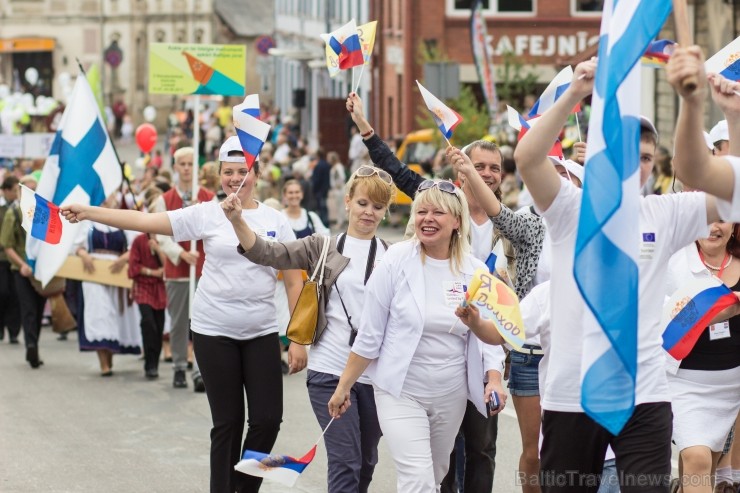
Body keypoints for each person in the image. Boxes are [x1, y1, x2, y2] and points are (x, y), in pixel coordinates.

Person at [514, 57, 729, 493]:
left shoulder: (664, 213)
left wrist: (719, 111)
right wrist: (575, 91)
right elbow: (527, 156)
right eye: (627, 152)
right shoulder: (569, 209)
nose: (638, 164)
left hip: (644, 394)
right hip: (573, 394)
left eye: (647, 157)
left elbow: (731, 187)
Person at [61, 135, 305, 493]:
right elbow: (145, 221)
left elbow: (294, 284)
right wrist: (89, 212)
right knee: (228, 422)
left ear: (257, 173)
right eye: (228, 172)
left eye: (243, 171)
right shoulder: (206, 213)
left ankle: (243, 485)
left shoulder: (276, 220)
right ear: (218, 175)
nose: (236, 179)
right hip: (213, 330)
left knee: (268, 420)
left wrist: (297, 338)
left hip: (261, 331)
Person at [346, 92, 509, 493]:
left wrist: (493, 373)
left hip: (471, 361)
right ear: (462, 170)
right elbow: (397, 171)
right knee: (428, 470)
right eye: (478, 165)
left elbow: (499, 322)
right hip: (409, 379)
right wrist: (367, 130)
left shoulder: (511, 224)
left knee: (478, 450)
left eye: (494, 168)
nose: (486, 173)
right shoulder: (434, 206)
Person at [224, 164, 395, 493]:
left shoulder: (392, 254)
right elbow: (269, 252)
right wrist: (237, 221)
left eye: (377, 206)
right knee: (346, 460)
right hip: (329, 371)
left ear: (385, 211)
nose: (369, 212)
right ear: (347, 202)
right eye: (362, 203)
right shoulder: (322, 247)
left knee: (367, 460)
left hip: (374, 376)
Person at [327, 180, 503, 492]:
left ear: (457, 222)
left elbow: (488, 336)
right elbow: (370, 333)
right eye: (421, 211)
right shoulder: (395, 260)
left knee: (433, 477)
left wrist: (494, 378)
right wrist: (344, 387)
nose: (427, 218)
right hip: (400, 391)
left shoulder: (475, 271)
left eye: (438, 212)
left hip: (451, 393)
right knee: (417, 479)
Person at [665, 222, 740, 493]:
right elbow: (664, 318)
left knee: (704, 473)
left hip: (732, 388)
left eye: (722, 218)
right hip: (686, 383)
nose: (714, 226)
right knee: (696, 457)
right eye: (706, 217)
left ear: (734, 224)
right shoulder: (675, 262)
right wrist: (715, 312)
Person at [151, 146, 213, 391]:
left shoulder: (208, 197)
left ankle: (200, 368)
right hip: (177, 272)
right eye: (182, 164)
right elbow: (160, 234)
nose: (187, 169)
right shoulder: (164, 200)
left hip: (203, 271)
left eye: (190, 164)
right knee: (178, 321)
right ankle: (178, 366)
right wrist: (180, 253)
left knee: (202, 321)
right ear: (175, 167)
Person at [74, 193, 142, 376]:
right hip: (93, 271)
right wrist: (84, 255)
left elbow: (136, 247)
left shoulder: (121, 220)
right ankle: (104, 362)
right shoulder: (87, 223)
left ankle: (109, 359)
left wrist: (124, 258)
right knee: (99, 313)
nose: (106, 198)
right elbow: (77, 246)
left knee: (114, 314)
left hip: (116, 273)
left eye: (109, 194)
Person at [0, 175, 44, 367]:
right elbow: (7, 245)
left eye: (35, 188)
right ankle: (31, 345)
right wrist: (22, 265)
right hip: (21, 270)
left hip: (40, 271)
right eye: (28, 189)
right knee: (28, 309)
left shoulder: (43, 213)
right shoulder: (13, 213)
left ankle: (34, 343)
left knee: (39, 309)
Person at [0, 175, 21, 344]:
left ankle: (14, 331)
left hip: (15, 257)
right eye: (14, 190)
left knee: (15, 294)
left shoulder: (20, 207)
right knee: (2, 292)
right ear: (5, 191)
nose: (16, 193)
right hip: (1, 257)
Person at [312, 148, 331, 226]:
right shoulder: (326, 164)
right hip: (325, 188)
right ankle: (326, 222)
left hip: (319, 189)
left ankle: (323, 223)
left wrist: (314, 188)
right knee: (324, 206)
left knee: (321, 207)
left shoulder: (318, 165)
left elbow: (317, 179)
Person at [328, 151, 347, 227]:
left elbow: (342, 177)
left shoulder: (338, 167)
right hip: (336, 189)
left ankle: (340, 222)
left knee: (341, 206)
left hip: (339, 189)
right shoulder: (334, 167)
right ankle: (340, 221)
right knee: (338, 206)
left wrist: (338, 185)